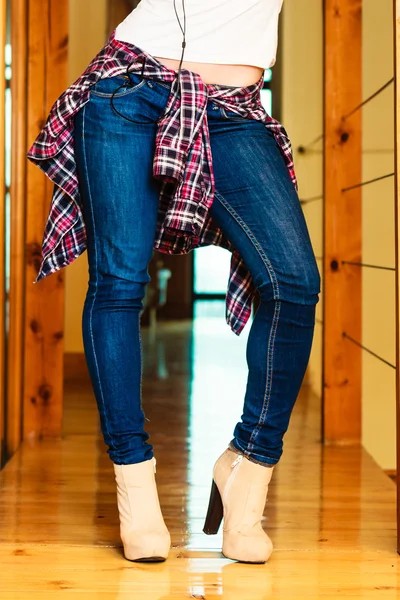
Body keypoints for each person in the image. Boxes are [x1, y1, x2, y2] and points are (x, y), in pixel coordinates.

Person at [27, 0, 321, 565]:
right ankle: (134, 487)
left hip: (234, 110)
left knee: (293, 281)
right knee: (118, 284)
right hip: (128, 90)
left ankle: (248, 467)